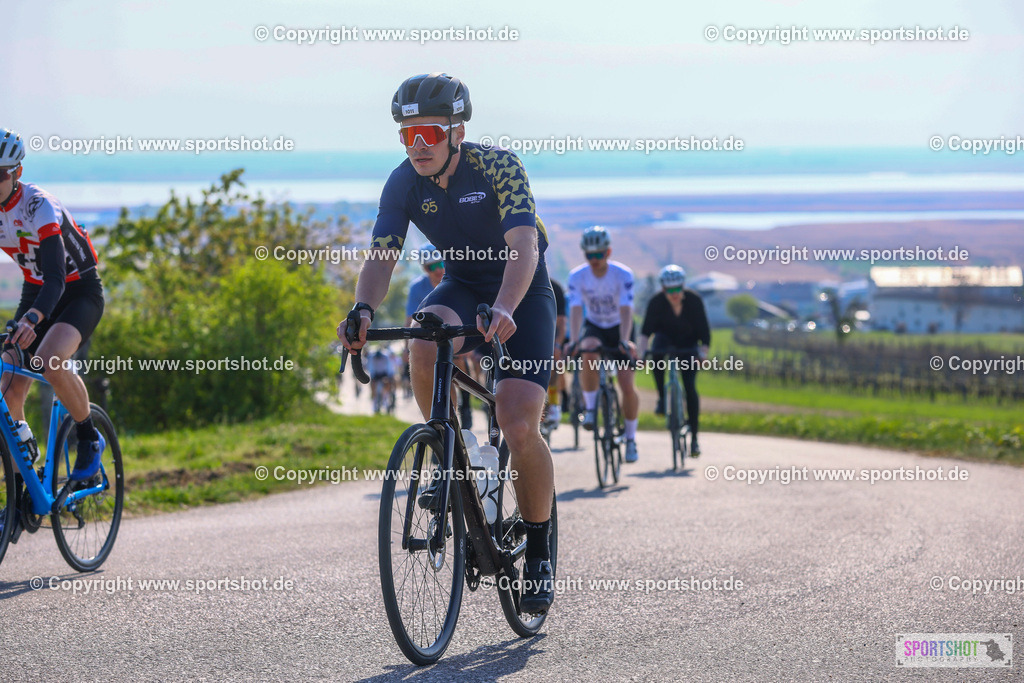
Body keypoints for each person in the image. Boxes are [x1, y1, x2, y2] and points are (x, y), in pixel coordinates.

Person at [337, 73, 556, 614]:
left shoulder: (498, 166)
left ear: (458, 131)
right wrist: (363, 309)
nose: (418, 146)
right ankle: (446, 449)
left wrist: (505, 307)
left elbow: (524, 246)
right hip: (460, 283)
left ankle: (539, 550)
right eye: (407, 136)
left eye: (429, 133)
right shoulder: (401, 183)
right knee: (423, 333)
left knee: (518, 422)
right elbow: (382, 253)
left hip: (520, 290)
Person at [0, 127, 106, 483]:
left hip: (77, 291)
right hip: (36, 290)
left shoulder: (38, 205)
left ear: (17, 174)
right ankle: (22, 489)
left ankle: (89, 438)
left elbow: (57, 278)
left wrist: (32, 319)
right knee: (7, 387)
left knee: (48, 360)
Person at [565, 226, 641, 463]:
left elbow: (627, 309)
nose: (594, 259)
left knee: (626, 383)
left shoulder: (622, 274)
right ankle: (589, 409)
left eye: (598, 254)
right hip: (595, 325)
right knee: (588, 349)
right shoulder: (577, 276)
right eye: (589, 255)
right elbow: (576, 309)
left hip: (620, 326)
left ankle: (630, 439)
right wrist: (575, 339)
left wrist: (625, 339)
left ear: (608, 252)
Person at [638, 265, 710, 456]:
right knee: (656, 357)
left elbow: (705, 332)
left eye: (677, 289)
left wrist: (703, 353)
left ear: (683, 286)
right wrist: (642, 354)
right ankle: (662, 397)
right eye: (669, 290)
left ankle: (694, 439)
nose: (674, 293)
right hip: (664, 341)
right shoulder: (656, 302)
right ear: (663, 289)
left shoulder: (694, 301)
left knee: (690, 387)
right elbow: (646, 333)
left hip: (688, 344)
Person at [405, 243, 474, 426]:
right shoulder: (417, 288)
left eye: (441, 264)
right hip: (430, 337)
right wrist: (407, 348)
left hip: (458, 331)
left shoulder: (458, 281)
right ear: (424, 269)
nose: (438, 270)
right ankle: (443, 424)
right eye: (431, 267)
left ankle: (466, 404)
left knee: (459, 360)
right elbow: (409, 320)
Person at [542, 279, 567, 429]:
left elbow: (562, 322)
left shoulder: (555, 287)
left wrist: (557, 343)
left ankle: (554, 403)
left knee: (554, 356)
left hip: (551, 332)